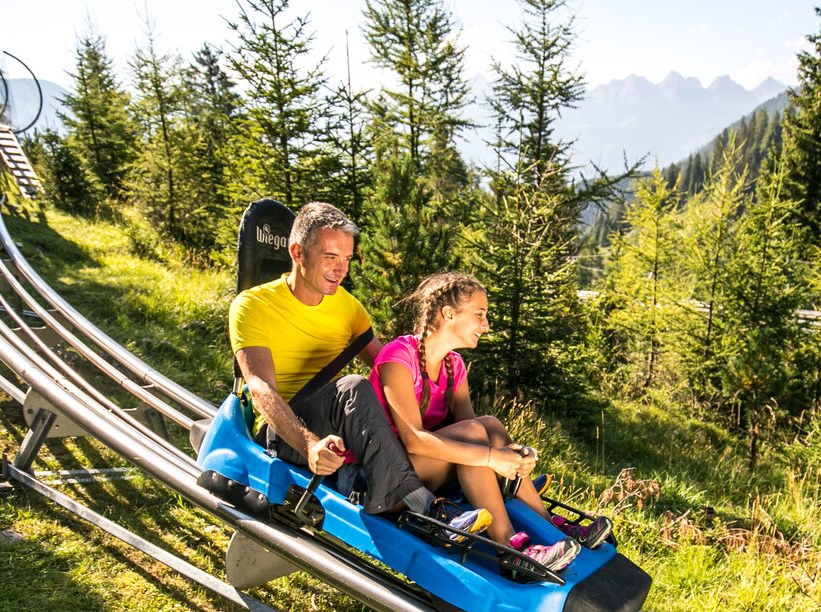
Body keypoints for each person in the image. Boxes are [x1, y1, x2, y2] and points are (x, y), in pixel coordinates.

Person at [228, 202, 482, 533]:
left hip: (339, 430)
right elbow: (261, 388)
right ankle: (423, 506)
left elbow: (391, 365)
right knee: (353, 386)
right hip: (285, 433)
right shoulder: (253, 305)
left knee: (365, 389)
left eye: (346, 259)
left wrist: (435, 415)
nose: (341, 269)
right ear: (298, 252)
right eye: (330, 257)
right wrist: (308, 445)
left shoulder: (349, 309)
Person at [370, 272, 612, 573]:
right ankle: (510, 546)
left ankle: (550, 526)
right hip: (393, 481)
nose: (486, 325)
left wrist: (512, 454)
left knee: (490, 425)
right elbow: (414, 440)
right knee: (475, 434)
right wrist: (491, 457)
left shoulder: (452, 364)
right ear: (448, 314)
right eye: (479, 315)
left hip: (428, 469)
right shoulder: (398, 356)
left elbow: (478, 430)